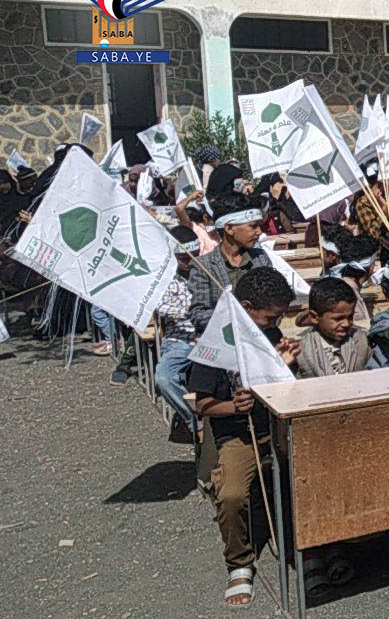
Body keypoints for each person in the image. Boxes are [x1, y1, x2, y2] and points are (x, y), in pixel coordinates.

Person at [188, 267, 298, 607]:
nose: (275, 323)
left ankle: (309, 543)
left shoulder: (270, 332)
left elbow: (280, 382)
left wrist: (285, 364)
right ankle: (238, 562)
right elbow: (202, 404)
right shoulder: (215, 343)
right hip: (240, 435)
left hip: (276, 425)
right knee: (233, 494)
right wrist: (234, 407)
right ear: (247, 308)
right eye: (270, 317)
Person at [187, 192, 272, 335]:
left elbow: (274, 301)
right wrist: (237, 315)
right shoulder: (203, 266)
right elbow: (198, 315)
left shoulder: (260, 258)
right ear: (229, 229)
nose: (259, 232)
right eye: (253, 226)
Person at [154, 226, 205, 442]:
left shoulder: (208, 271)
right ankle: (194, 421)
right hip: (179, 341)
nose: (190, 262)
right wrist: (193, 311)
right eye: (184, 258)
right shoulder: (163, 278)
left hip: (208, 337)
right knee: (164, 378)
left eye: (194, 256)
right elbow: (161, 307)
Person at [296, 277, 369, 377]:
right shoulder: (302, 353)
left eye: (350, 317)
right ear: (314, 317)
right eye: (338, 318)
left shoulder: (361, 341)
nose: (346, 324)